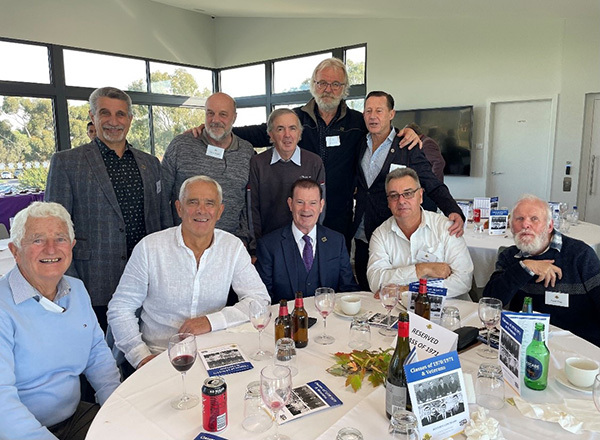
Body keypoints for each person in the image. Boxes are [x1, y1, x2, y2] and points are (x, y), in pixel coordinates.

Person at [195, 58, 421, 245]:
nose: (328, 90)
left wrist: (409, 131)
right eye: (322, 83)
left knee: (332, 270)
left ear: (344, 89)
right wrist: (213, 130)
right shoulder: (295, 118)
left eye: (335, 84)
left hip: (338, 214)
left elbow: (381, 129)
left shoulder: (356, 122)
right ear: (313, 84)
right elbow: (258, 132)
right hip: (301, 212)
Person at [107, 176, 270, 370]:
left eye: (209, 203)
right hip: (160, 355)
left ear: (220, 211)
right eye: (193, 202)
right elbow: (120, 308)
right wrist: (140, 356)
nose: (201, 210)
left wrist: (211, 321)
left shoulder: (232, 247)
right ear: (179, 208)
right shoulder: (150, 248)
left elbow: (260, 301)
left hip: (214, 352)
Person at [45, 87, 165, 332]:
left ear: (130, 119)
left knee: (144, 349)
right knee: (97, 359)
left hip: (147, 279)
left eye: (121, 114)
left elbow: (160, 221)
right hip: (93, 281)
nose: (113, 121)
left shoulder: (150, 163)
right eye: (105, 113)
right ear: (92, 116)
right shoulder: (67, 163)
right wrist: (67, 283)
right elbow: (53, 229)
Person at [0, 202, 120, 440]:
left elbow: (97, 356)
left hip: (75, 418)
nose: (51, 249)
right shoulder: (3, 306)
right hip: (17, 431)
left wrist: (117, 408)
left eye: (61, 239)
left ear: (72, 246)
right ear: (15, 251)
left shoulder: (76, 290)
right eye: (37, 240)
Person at [353, 92, 465, 290]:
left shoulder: (407, 145)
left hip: (395, 234)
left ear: (391, 114)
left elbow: (431, 182)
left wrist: (452, 209)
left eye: (379, 111)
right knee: (369, 288)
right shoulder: (359, 143)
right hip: (363, 231)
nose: (373, 116)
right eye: (368, 111)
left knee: (395, 290)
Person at [483, 194, 600, 347]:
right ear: (511, 227)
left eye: (534, 219)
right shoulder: (510, 257)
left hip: (578, 346)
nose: (525, 225)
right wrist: (525, 267)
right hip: (526, 343)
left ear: (550, 226)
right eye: (519, 219)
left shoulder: (580, 255)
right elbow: (490, 303)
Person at [162, 92, 254, 246]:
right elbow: (162, 197)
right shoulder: (181, 146)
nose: (215, 120)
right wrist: (167, 237)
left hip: (228, 246)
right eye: (210, 113)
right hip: (182, 244)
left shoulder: (246, 151)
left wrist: (244, 240)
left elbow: (247, 201)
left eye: (223, 114)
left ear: (234, 118)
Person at [367, 168, 473, 299]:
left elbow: (463, 281)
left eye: (408, 193)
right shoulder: (380, 234)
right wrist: (422, 269)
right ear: (388, 202)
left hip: (448, 309)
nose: (401, 201)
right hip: (398, 310)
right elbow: (375, 282)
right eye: (394, 196)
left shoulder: (446, 227)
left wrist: (407, 290)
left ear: (421, 196)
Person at [256, 178, 359, 303]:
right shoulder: (269, 245)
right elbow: (263, 297)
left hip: (329, 318)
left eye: (313, 203)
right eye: (300, 202)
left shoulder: (336, 241)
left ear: (321, 206)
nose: (306, 209)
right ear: (290, 204)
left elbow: (349, 290)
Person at [249, 108, 325, 240]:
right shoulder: (258, 163)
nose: (287, 135)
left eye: (292, 128)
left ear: (300, 133)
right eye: (280, 129)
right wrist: (255, 246)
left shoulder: (314, 162)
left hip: (303, 240)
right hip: (268, 242)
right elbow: (252, 208)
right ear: (270, 134)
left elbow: (320, 207)